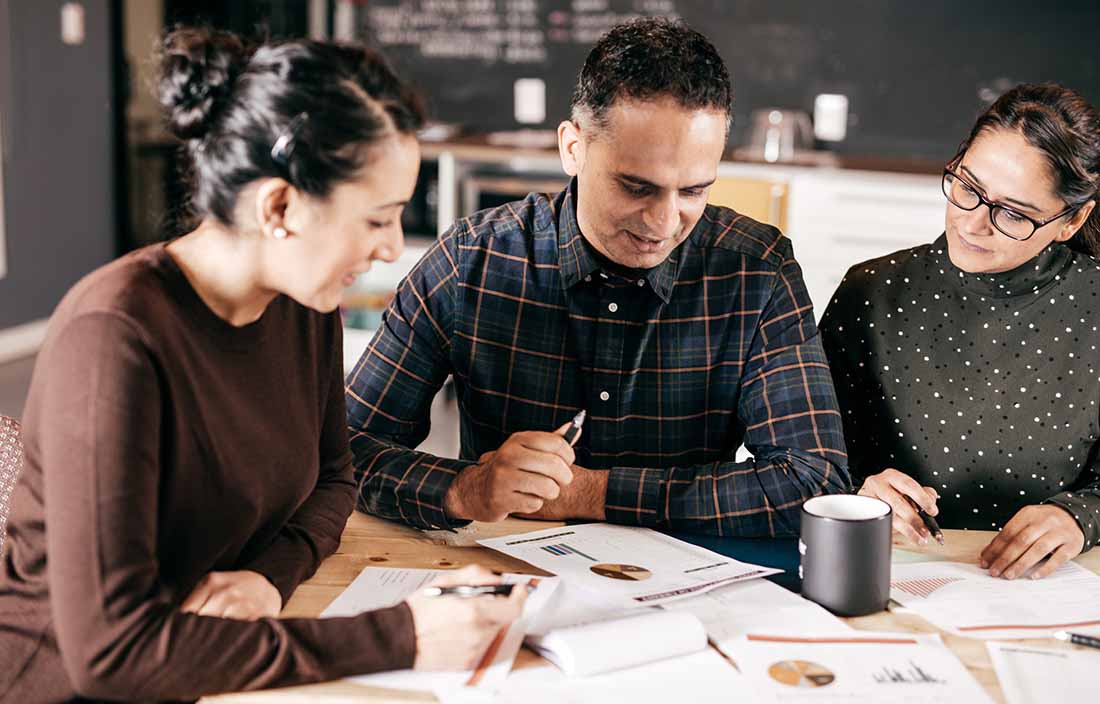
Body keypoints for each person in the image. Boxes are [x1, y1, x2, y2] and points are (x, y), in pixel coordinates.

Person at [0, 28, 524, 702]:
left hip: (210, 668)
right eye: (377, 219)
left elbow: (335, 480)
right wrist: (404, 638)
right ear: (279, 206)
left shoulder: (302, 302)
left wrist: (268, 577)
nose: (394, 244)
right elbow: (111, 653)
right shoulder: (114, 336)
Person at [346, 17, 849, 537]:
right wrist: (466, 489)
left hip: (694, 599)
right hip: (504, 578)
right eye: (636, 187)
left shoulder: (758, 271)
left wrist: (591, 493)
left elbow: (815, 484)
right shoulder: (469, 260)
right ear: (572, 148)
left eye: (694, 191)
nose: (662, 222)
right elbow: (344, 454)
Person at [820, 83, 1100, 580]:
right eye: (967, 188)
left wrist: (1079, 518)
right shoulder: (871, 291)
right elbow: (805, 452)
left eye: (1013, 213)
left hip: (1047, 588)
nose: (973, 224)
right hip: (891, 572)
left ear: (1072, 219)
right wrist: (856, 487)